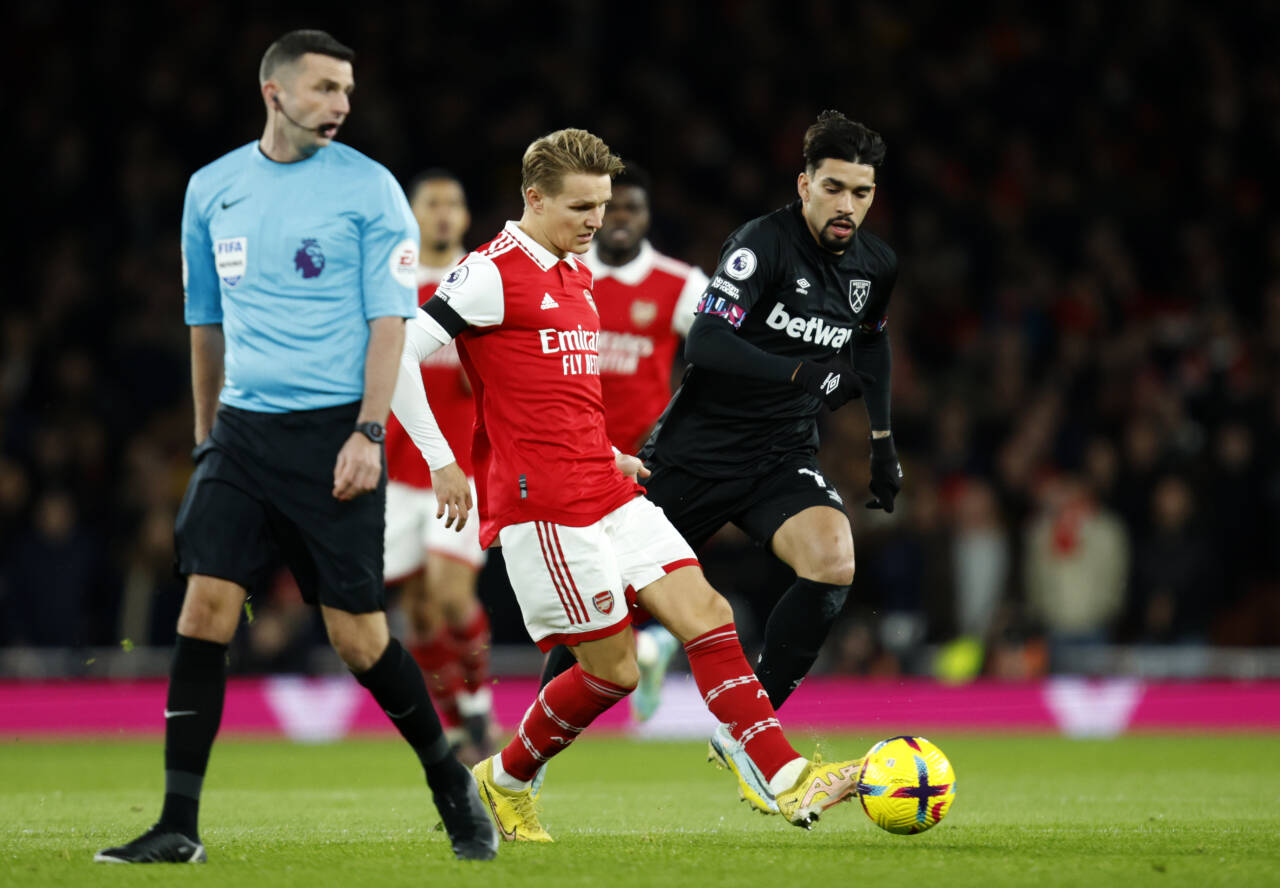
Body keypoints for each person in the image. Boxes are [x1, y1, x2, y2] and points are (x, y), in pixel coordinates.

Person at [390, 128, 864, 842]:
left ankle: (789, 777)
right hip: (545, 510)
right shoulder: (490, 273)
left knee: (706, 612)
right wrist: (441, 460)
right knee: (611, 673)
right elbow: (397, 356)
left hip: (608, 490)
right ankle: (505, 777)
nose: (597, 221)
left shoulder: (574, 272)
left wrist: (608, 452)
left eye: (603, 205)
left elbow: (554, 390)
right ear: (535, 198)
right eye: (582, 206)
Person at [95, 30, 497, 864]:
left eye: (347, 90)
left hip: (335, 430)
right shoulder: (212, 190)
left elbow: (391, 324)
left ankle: (447, 776)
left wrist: (367, 431)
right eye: (323, 89)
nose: (341, 105)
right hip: (241, 432)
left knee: (359, 638)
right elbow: (205, 324)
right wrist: (209, 440)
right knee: (204, 610)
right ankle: (178, 825)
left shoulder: (373, 190)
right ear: (274, 92)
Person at [626, 110, 904, 813]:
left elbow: (870, 345)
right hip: (694, 456)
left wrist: (881, 440)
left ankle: (746, 733)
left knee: (833, 558)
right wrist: (804, 376)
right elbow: (709, 345)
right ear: (804, 184)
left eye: (862, 193)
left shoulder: (874, 266)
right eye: (834, 188)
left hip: (779, 454)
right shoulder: (762, 245)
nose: (847, 207)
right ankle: (518, 766)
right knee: (605, 613)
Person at [580, 163, 708, 721]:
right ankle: (644, 647)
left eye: (633, 208)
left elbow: (720, 356)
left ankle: (633, 650)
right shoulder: (564, 273)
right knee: (591, 576)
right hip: (576, 454)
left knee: (627, 566)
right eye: (613, 208)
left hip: (647, 460)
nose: (622, 219)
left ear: (648, 216)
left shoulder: (680, 283)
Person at [383, 170, 494, 760]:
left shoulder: (477, 283)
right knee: (419, 610)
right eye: (433, 203)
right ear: (412, 212)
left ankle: (476, 706)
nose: (445, 212)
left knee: (452, 594)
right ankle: (455, 725)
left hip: (462, 470)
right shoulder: (392, 286)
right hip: (398, 473)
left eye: (455, 202)